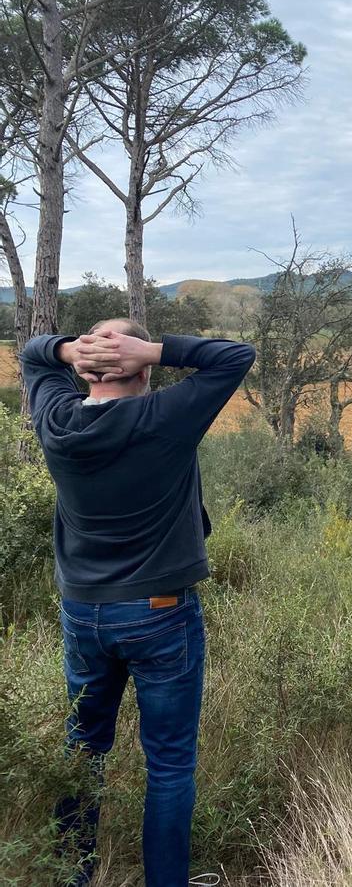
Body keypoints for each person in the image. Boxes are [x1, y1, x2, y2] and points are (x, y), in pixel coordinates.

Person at [19, 320, 256, 887]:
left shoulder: (56, 420)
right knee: (170, 766)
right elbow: (233, 357)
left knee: (82, 750)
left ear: (81, 369)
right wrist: (148, 348)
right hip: (160, 612)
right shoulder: (163, 418)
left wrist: (67, 348)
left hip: (82, 613)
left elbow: (31, 356)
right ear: (143, 368)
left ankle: (73, 874)